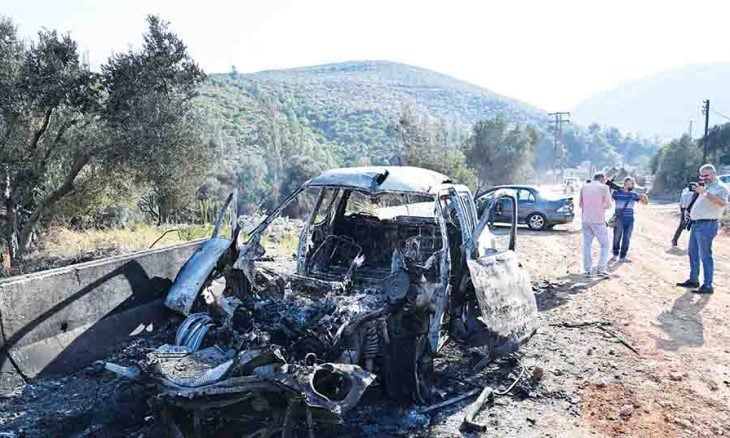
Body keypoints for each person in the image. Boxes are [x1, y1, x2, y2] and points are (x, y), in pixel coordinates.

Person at [676, 164, 729, 294]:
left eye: (706, 175)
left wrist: (704, 192)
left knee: (705, 255)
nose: (704, 178)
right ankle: (694, 280)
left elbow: (722, 203)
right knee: (692, 252)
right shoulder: (706, 186)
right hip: (697, 223)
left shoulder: (720, 187)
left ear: (714, 173)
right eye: (701, 176)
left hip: (707, 224)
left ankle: (708, 285)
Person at [579, 172, 613, 277]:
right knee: (605, 244)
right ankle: (601, 269)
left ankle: (587, 270)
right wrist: (600, 206)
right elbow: (609, 205)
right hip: (598, 219)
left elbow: (580, 204)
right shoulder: (604, 188)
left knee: (587, 245)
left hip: (586, 219)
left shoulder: (584, 186)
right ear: (602, 179)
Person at [610, 177, 648, 262]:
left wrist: (644, 197)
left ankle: (623, 256)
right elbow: (609, 199)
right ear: (626, 183)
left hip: (630, 219)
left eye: (633, 183)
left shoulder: (633, 194)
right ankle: (615, 254)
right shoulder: (616, 193)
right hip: (619, 219)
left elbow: (645, 203)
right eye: (632, 183)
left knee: (627, 238)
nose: (633, 185)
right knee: (617, 237)